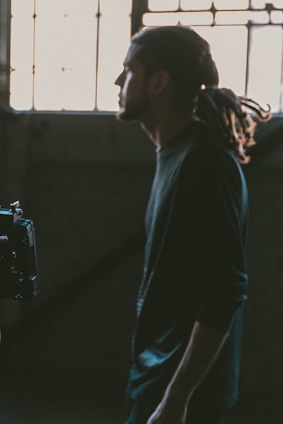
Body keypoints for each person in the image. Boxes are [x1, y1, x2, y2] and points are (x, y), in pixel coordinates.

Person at [114, 25, 270, 424]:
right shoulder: (176, 153)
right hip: (155, 375)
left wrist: (178, 397)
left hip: (184, 395)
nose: (119, 79)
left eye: (129, 69)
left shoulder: (205, 162)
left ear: (159, 82)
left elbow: (225, 289)